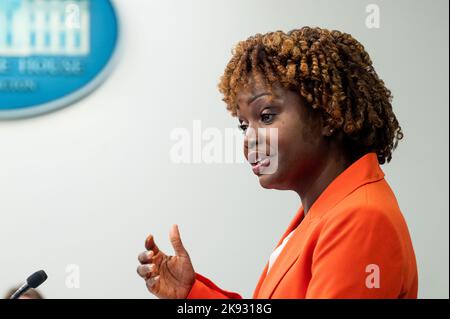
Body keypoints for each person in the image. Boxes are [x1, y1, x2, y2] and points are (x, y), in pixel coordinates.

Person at [136, 26, 418, 298]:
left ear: (328, 116)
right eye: (243, 125)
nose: (249, 139)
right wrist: (192, 294)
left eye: (266, 116)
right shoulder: (323, 213)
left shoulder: (361, 218)